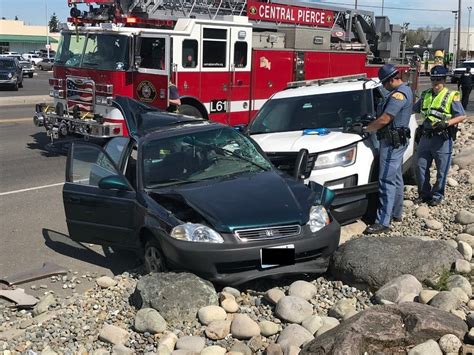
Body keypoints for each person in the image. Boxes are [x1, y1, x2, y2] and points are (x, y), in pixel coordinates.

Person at [363, 64, 414, 234]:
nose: (384, 86)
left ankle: (383, 221)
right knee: (397, 178)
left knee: (386, 181)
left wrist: (367, 129)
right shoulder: (402, 91)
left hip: (392, 143)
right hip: (396, 142)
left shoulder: (398, 95)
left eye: (385, 83)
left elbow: (385, 119)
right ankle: (396, 212)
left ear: (392, 79)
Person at [413, 65, 467, 206]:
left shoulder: (451, 96)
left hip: (442, 138)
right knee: (420, 166)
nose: (436, 83)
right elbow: (414, 109)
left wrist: (447, 123)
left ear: (444, 80)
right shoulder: (426, 95)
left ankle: (437, 195)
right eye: (434, 80)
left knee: (442, 169)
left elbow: (461, 116)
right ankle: (424, 193)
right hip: (425, 136)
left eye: (439, 80)